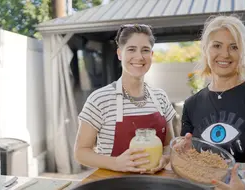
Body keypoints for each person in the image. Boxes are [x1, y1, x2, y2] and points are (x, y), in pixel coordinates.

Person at [178, 15, 245, 190]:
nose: (225, 54)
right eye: (217, 46)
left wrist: (244, 185)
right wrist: (183, 153)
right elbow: (190, 159)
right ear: (205, 49)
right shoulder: (192, 105)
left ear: (243, 52)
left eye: (234, 47)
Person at [74, 24, 176, 174]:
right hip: (114, 184)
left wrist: (166, 158)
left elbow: (169, 145)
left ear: (152, 55)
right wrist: (115, 163)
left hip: (155, 183)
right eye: (131, 49)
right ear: (120, 54)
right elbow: (81, 152)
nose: (139, 57)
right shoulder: (100, 99)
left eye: (145, 50)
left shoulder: (160, 97)